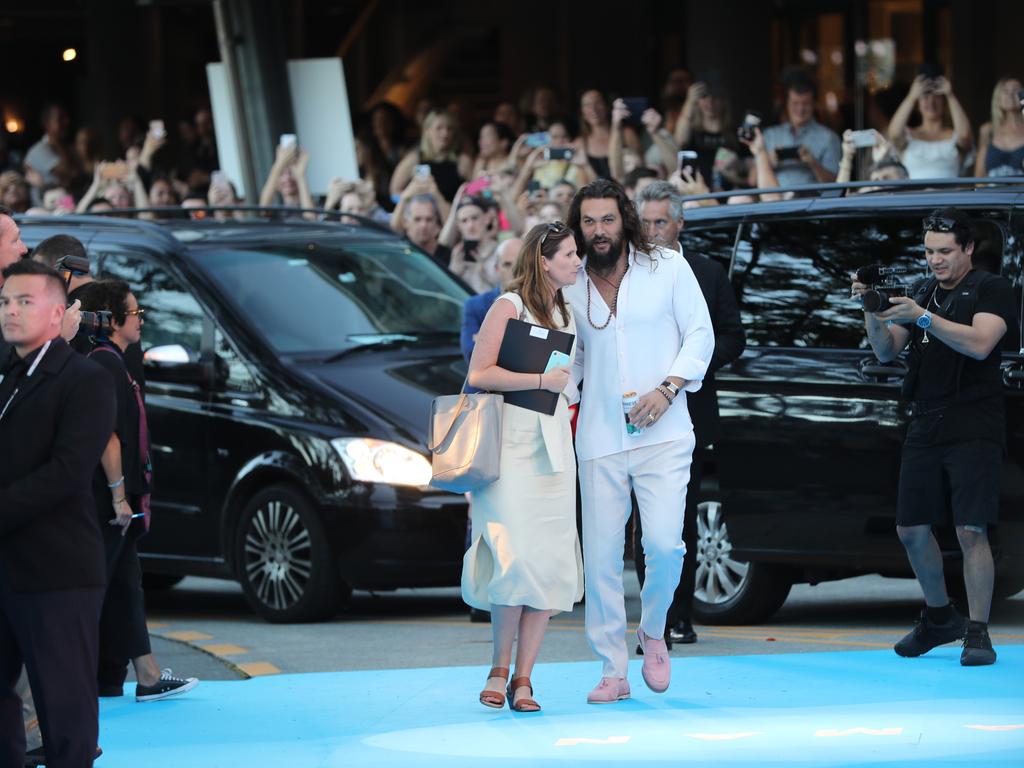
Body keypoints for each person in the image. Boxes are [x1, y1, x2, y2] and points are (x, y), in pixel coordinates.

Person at [563, 179, 713, 703]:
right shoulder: (570, 282)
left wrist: (669, 388)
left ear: (624, 218)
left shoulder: (668, 266)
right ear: (577, 226)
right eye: (589, 222)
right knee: (602, 557)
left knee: (666, 546)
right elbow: (571, 362)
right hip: (599, 438)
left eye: (607, 219)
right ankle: (612, 668)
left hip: (665, 432)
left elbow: (701, 333)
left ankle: (653, 629)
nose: (599, 231)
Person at [851, 207, 1015, 666]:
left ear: (967, 248)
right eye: (928, 251)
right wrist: (872, 309)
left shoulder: (990, 288)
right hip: (925, 418)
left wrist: (923, 317)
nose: (935, 260)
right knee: (910, 527)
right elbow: (885, 351)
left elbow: (981, 343)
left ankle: (978, 631)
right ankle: (940, 615)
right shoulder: (921, 291)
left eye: (944, 251)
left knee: (971, 526)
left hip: (974, 420)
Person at [463, 222, 584, 712]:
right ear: (544, 259)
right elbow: (478, 372)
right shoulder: (508, 305)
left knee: (548, 565)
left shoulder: (569, 309)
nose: (579, 261)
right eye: (570, 254)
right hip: (509, 449)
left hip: (554, 448)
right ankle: (498, 667)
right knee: (513, 561)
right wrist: (540, 377)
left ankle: (525, 677)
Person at [0, 259, 115, 768]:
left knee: (64, 708)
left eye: (24, 302)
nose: (11, 311)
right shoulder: (7, 372)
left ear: (56, 312)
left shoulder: (83, 379)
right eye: (5, 301)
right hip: (5, 565)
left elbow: (66, 473)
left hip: (57, 570)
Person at [75, 280, 200, 701]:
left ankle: (136, 677)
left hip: (116, 496)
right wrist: (119, 494)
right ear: (112, 320)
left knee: (124, 585)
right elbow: (108, 436)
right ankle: (79, 678)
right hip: (107, 498)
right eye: (135, 314)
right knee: (96, 588)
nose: (141, 321)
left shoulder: (113, 359)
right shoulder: (106, 364)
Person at [634, 182, 746, 645]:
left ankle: (679, 616)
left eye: (661, 221)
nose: (653, 231)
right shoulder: (625, 272)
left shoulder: (706, 271)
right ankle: (651, 622)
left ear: (680, 223)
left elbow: (732, 338)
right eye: (645, 222)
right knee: (643, 523)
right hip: (637, 410)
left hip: (690, 410)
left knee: (679, 520)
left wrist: (688, 366)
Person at [886, 69, 973, 180]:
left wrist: (951, 95)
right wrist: (911, 97)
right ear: (917, 104)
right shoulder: (909, 135)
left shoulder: (955, 136)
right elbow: (894, 133)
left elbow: (965, 135)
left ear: (945, 103)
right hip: (914, 196)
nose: (931, 102)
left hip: (949, 197)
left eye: (937, 96)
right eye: (925, 96)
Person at [761, 77, 841, 186]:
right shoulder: (770, 135)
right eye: (795, 103)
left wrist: (813, 163)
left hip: (812, 201)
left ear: (814, 104)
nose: (800, 109)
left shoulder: (829, 138)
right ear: (787, 104)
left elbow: (837, 185)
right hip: (776, 200)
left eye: (806, 103)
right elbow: (751, 180)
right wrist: (768, 161)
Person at [460, 237, 523, 361]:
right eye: (507, 264)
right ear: (496, 268)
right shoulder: (474, 306)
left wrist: (486, 339)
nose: (514, 271)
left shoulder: (542, 303)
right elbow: (472, 355)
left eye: (521, 264)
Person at [389, 110, 472, 202]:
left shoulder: (462, 161)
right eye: (439, 128)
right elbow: (394, 193)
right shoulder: (415, 159)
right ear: (427, 131)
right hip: (421, 214)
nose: (445, 133)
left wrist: (465, 197)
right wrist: (412, 202)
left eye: (450, 128)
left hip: (451, 214)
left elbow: (479, 187)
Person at [974, 77, 1024, 178]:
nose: (1010, 94)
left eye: (1016, 90)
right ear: (998, 98)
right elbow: (979, 176)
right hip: (992, 192)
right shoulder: (988, 130)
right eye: (1006, 91)